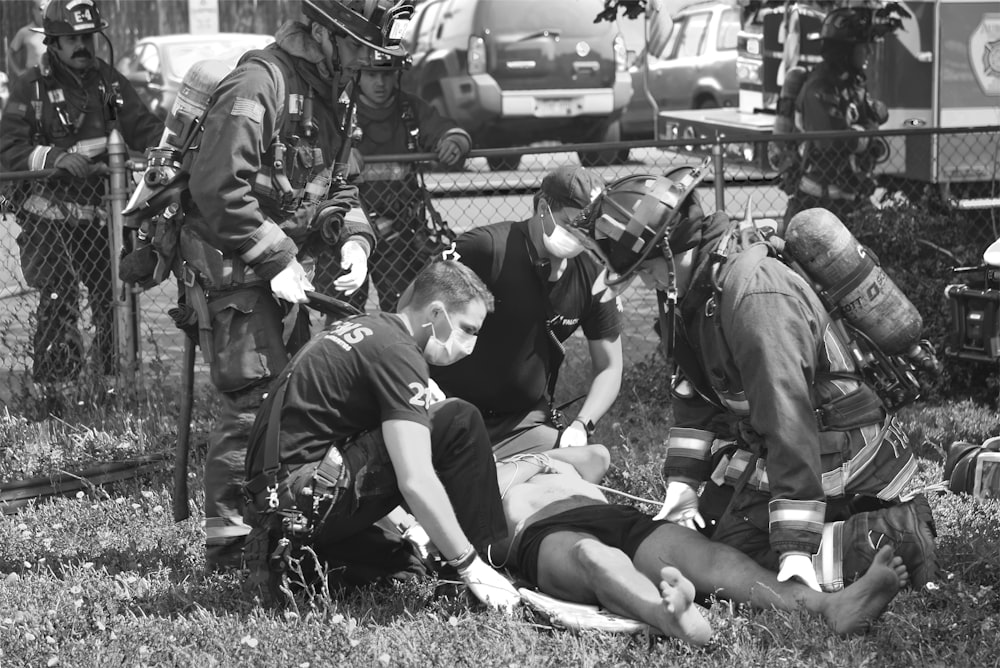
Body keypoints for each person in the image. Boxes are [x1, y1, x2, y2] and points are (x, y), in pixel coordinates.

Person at [565, 164, 937, 593]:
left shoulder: (754, 298)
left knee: (736, 552)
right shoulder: (692, 287)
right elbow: (694, 387)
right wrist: (683, 482)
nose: (643, 282)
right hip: (784, 435)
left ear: (668, 251)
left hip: (831, 438)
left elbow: (788, 418)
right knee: (706, 537)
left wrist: (796, 544)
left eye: (644, 270)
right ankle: (832, 522)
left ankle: (899, 535)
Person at [183, 0, 416, 571]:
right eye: (359, 46)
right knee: (252, 400)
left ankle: (276, 525)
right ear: (320, 33)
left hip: (287, 273)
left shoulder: (334, 92)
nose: (367, 61)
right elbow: (216, 188)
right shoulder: (259, 83)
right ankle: (231, 548)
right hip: (235, 269)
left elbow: (341, 187)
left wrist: (356, 243)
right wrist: (277, 257)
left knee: (295, 398)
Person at [242, 260, 520, 611]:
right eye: (468, 328)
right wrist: (469, 565)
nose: (471, 343)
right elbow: (415, 479)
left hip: (277, 517)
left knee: (405, 567)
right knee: (458, 420)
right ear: (437, 313)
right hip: (304, 497)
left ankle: (302, 568)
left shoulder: (365, 330)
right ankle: (484, 569)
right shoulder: (398, 353)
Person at [489, 445, 909, 647]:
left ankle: (830, 607)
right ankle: (670, 616)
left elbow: (598, 458)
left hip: (616, 519)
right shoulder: (480, 470)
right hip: (541, 534)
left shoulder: (547, 458)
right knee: (592, 557)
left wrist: (538, 457)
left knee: (712, 558)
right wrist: (510, 464)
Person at [0, 0, 162, 382]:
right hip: (47, 215)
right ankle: (56, 388)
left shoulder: (105, 84)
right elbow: (9, 150)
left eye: (87, 37)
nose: (82, 46)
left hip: (100, 215)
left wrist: (167, 151)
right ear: (53, 43)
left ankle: (113, 380)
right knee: (60, 295)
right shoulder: (33, 88)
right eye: (72, 39)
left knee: (114, 297)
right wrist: (55, 158)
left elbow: (133, 125)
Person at [431, 165, 623, 458]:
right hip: (448, 414)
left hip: (522, 424)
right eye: (573, 224)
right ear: (543, 208)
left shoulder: (593, 274)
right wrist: (419, 381)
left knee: (592, 460)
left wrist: (582, 425)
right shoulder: (486, 249)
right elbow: (412, 308)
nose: (581, 236)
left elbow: (609, 366)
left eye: (590, 228)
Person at [313, 47, 472, 313]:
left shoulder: (410, 109)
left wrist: (455, 142)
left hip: (400, 235)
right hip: (345, 230)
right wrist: (337, 155)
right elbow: (314, 145)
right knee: (342, 311)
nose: (380, 83)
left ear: (398, 76)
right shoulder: (338, 108)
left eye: (387, 75)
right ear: (358, 74)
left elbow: (446, 129)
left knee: (402, 311)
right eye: (372, 74)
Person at [781, 5, 893, 226]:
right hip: (818, 203)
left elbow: (869, 118)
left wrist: (870, 121)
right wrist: (868, 134)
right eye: (863, 47)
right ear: (844, 50)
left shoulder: (849, 83)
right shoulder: (819, 88)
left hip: (849, 197)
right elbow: (832, 140)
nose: (869, 53)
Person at [6, 1, 48, 79]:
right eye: (40, 9)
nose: (43, 12)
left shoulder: (56, 31)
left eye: (46, 9)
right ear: (34, 10)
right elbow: (10, 53)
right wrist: (19, 72)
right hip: (34, 77)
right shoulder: (25, 32)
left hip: (55, 76)